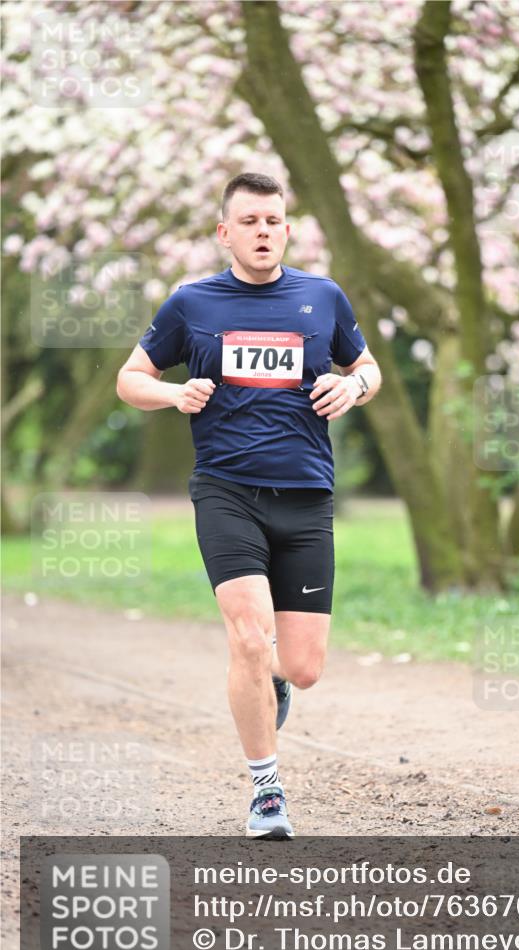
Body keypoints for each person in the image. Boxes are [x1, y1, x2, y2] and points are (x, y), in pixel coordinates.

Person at [116, 172, 381, 838]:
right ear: (224, 232)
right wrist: (173, 395)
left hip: (306, 495)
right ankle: (266, 791)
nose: (263, 232)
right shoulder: (192, 304)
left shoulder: (322, 297)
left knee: (304, 668)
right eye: (249, 222)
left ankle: (273, 679)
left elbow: (367, 367)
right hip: (226, 490)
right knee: (248, 637)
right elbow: (131, 378)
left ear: (286, 229)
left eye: (272, 221)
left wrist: (354, 389)